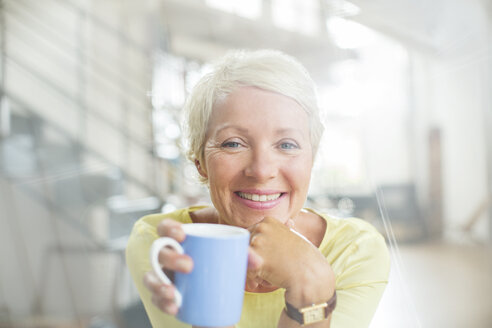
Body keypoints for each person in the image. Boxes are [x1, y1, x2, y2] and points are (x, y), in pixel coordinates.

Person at [126, 49, 390, 328]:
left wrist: (310, 288)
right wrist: (206, 298)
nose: (262, 171)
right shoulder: (162, 243)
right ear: (200, 162)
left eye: (287, 144)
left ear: (311, 159)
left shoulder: (356, 250)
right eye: (233, 143)